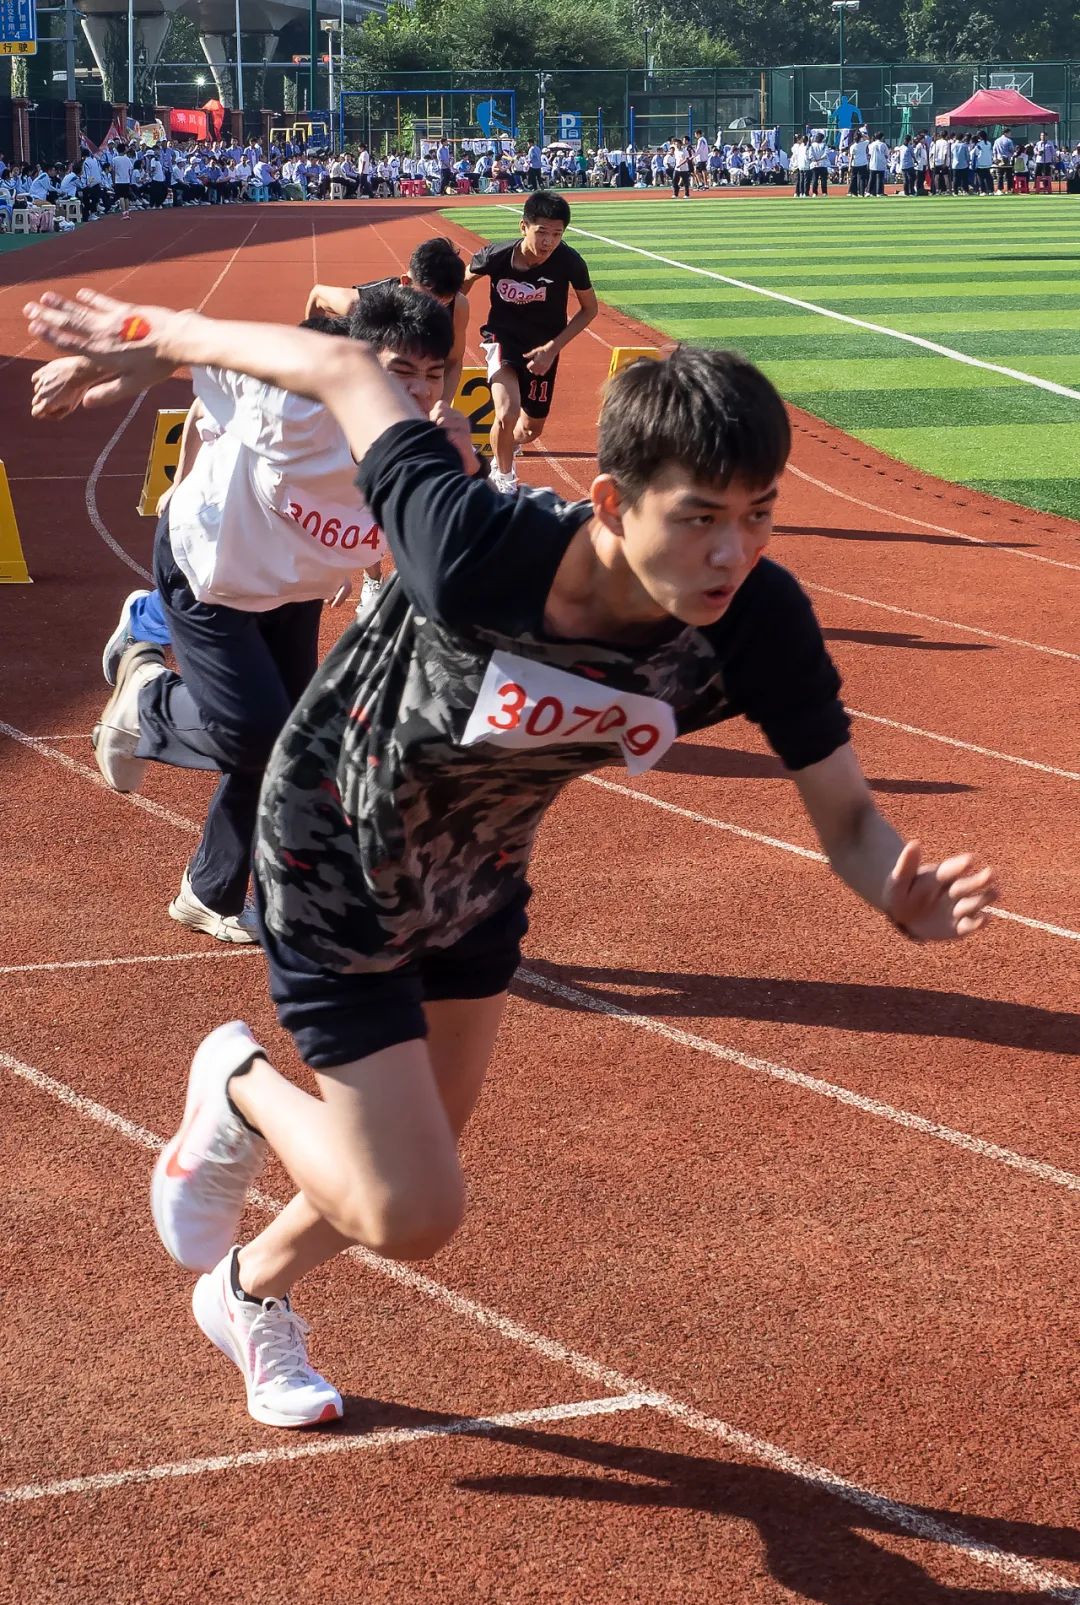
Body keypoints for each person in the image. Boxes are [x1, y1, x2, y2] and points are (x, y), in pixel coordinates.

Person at [23, 289, 1001, 1428]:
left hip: (475, 879)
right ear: (611, 501)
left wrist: (896, 887)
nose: (731, 551)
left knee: (409, 1159)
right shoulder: (475, 544)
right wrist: (156, 341)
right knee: (413, 1209)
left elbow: (849, 819)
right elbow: (344, 371)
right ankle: (237, 1084)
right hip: (333, 851)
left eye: (758, 514)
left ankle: (245, 1292)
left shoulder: (754, 623)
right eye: (698, 517)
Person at [30, 288, 461, 947]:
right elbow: (189, 337)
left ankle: (209, 893)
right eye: (400, 371)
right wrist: (91, 367)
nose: (420, 391)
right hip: (212, 566)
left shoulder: (428, 446)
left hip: (293, 586)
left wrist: (354, 562)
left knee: (291, 746)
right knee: (258, 735)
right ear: (355, 364)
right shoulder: (292, 407)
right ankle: (145, 697)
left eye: (434, 374)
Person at [463, 188, 598, 493]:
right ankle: (503, 478)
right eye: (542, 232)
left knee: (529, 429)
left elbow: (590, 309)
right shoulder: (495, 256)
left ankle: (505, 446)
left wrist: (553, 347)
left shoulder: (570, 262)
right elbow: (463, 281)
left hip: (543, 349)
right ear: (523, 227)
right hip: (501, 340)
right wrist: (454, 316)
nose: (548, 241)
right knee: (507, 413)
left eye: (557, 234)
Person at [305, 236, 468, 404]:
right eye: (429, 299)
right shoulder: (362, 305)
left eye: (444, 302)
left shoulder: (458, 306)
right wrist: (310, 356)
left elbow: (454, 361)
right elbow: (317, 295)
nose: (434, 309)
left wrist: (442, 405)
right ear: (406, 282)